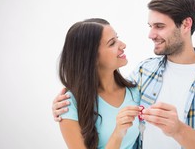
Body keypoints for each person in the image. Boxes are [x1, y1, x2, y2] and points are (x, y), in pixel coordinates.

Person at [52, 0, 195, 149]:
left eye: (159, 26)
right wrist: (66, 105)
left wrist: (178, 130)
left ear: (186, 24)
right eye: (150, 26)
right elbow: (104, 94)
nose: (151, 35)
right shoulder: (144, 72)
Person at [57, 18, 142, 149]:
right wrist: (118, 133)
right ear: (92, 57)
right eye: (112, 43)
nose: (123, 45)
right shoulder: (68, 105)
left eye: (117, 38)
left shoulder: (135, 91)